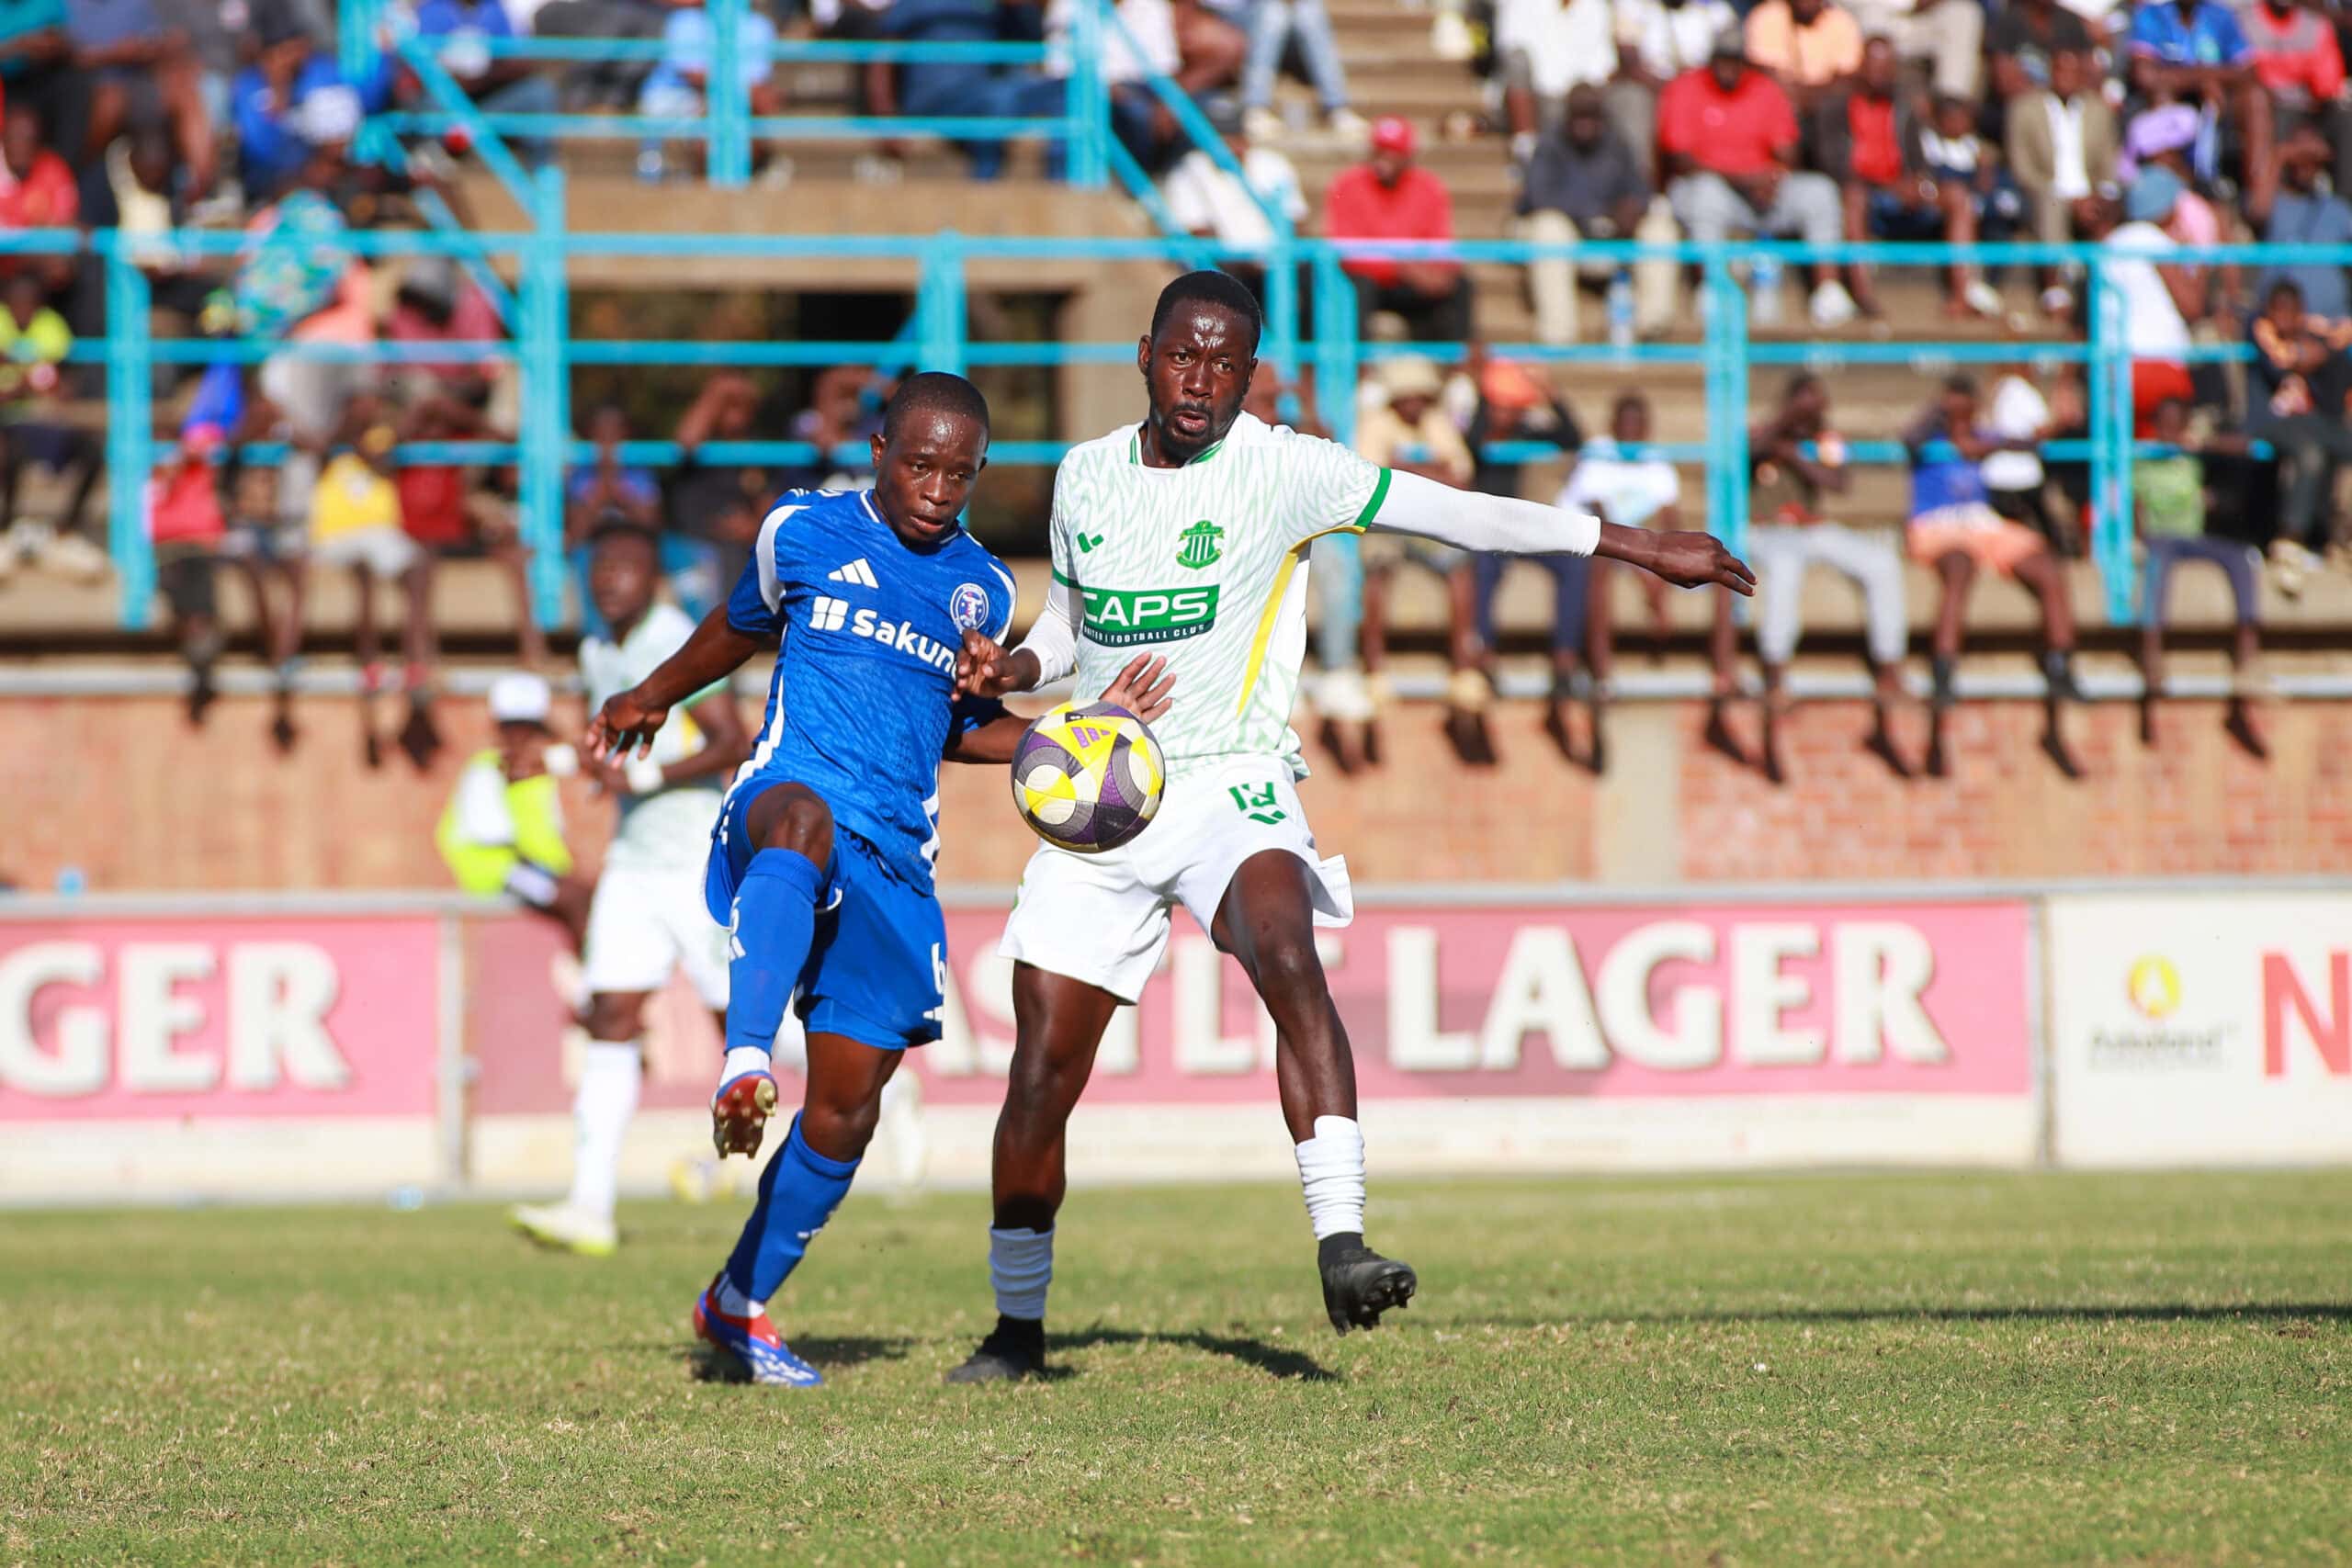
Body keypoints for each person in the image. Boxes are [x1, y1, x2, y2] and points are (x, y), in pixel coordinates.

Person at [944, 271, 1753, 1382]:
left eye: (1228, 364)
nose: (1204, 381)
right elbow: (1070, 631)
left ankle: (1341, 1243)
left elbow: (1458, 513)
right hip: (1108, 787)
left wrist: (1631, 545)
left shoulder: (1284, 467)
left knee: (1287, 951)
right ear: (1144, 353)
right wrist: (1017, 669)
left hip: (1233, 778)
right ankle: (1016, 1332)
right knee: (1041, 1072)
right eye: (1186, 356)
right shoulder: (1085, 475)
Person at [583, 373, 1176, 1387]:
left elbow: (959, 726)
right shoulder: (803, 531)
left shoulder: (982, 590)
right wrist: (647, 693)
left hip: (897, 859)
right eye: (919, 463)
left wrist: (1081, 734)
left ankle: (735, 1304)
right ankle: (742, 1059)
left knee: (846, 1112)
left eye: (960, 471)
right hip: (785, 796)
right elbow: (739, 624)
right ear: (877, 451)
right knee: (799, 821)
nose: (938, 487)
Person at [510, 523, 752, 1258]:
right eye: (600, 566)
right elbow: (619, 745)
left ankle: (878, 1093)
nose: (610, 579)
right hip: (634, 861)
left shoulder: (678, 636)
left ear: (652, 577)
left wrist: (642, 778)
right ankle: (591, 1205)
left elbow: (729, 740)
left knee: (740, 1018)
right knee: (610, 1011)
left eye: (626, 567)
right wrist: (552, 757)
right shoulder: (597, 648)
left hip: (693, 858)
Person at [1903, 376, 2082, 776]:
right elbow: (1907, 440)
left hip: (1982, 525)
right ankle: (1944, 671)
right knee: (1960, 569)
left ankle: (2062, 664)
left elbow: (2026, 444)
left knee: (2046, 564)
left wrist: (2001, 442)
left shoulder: (1984, 438)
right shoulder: (1926, 439)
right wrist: (1940, 415)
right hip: (1938, 526)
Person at [1738, 372, 1912, 784]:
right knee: (1783, 573)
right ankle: (1775, 675)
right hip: (1765, 531)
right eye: (1804, 406)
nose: (1810, 414)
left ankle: (1889, 670)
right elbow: (1749, 451)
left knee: (1881, 563)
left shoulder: (1823, 439)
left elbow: (1839, 482)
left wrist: (1797, 454)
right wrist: (1784, 424)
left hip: (1812, 528)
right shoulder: (1764, 429)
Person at [1489, 389, 1671, 768]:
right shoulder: (1599, 454)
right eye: (1625, 425)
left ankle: (1587, 676)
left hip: (1620, 546)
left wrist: (1664, 567)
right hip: (1577, 539)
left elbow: (1672, 521)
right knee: (1596, 566)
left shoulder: (1656, 462)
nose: (1631, 433)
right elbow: (1605, 524)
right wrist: (1645, 569)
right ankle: (1595, 672)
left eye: (1638, 427)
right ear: (1613, 427)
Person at [1659, 28, 1855, 330]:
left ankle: (1827, 289)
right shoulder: (1686, 88)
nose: (1729, 67)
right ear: (1711, 60)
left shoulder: (1765, 89)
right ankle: (1710, 286)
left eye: (1736, 60)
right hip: (1712, 191)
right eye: (1723, 59)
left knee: (1821, 191)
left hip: (1763, 192)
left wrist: (1772, 177)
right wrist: (1744, 180)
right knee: (1705, 194)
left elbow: (1787, 151)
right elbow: (1682, 159)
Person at [1351, 355, 1486, 762]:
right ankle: (1375, 668)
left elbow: (1461, 476)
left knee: (1462, 566)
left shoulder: (1435, 422)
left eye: (1420, 396)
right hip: (1385, 525)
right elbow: (1372, 482)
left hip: (1426, 526)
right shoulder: (1375, 423)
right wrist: (1431, 470)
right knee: (1378, 567)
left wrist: (1407, 468)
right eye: (1408, 396)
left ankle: (1464, 667)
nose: (1415, 404)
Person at [1823, 38, 2001, 320]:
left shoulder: (1905, 110)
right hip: (1869, 195)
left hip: (1904, 191)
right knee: (1854, 198)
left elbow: (1919, 161)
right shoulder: (1837, 109)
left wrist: (1917, 183)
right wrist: (1887, 186)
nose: (1879, 73)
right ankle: (1863, 295)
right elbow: (1835, 166)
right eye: (1874, 65)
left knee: (1956, 195)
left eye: (1886, 67)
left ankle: (1962, 292)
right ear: (1861, 66)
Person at [2132, 396, 2267, 756]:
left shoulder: (2193, 455)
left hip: (2194, 538)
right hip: (2161, 540)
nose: (2170, 431)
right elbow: (2135, 507)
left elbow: (2245, 448)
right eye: (2165, 424)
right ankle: (2152, 658)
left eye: (2177, 424)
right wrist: (2137, 539)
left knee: (2243, 560)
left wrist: (2199, 444)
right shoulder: (2143, 458)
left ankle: (2247, 659)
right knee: (2154, 571)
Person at [437, 671, 593, 952]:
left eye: (529, 727)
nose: (521, 736)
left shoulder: (541, 774)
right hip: (497, 870)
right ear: (499, 728)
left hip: (530, 869)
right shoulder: (486, 770)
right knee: (575, 899)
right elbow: (498, 841)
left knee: (593, 894)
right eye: (512, 727)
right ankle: (590, 980)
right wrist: (561, 880)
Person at [1516, 82, 1679, 344]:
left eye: (1591, 115)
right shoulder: (1549, 144)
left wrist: (1634, 207)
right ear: (1567, 115)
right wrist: (1597, 212)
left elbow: (1641, 189)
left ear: (1602, 117)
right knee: (1548, 228)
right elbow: (1539, 197)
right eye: (1578, 115)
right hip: (1570, 236)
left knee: (1660, 228)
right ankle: (1559, 334)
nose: (1585, 123)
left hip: (1612, 237)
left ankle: (1653, 323)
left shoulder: (1617, 142)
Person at [1323, 116, 1474, 344]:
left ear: (1408, 156)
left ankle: (1458, 369)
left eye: (1392, 151)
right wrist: (1402, 267)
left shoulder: (1428, 187)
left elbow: (1442, 241)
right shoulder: (1348, 184)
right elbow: (1347, 249)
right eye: (1379, 150)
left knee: (1459, 285)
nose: (1383, 158)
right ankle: (1362, 371)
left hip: (1412, 281)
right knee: (1357, 287)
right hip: (1371, 280)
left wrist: (1441, 271)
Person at [2244, 276, 2352, 591]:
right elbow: (2282, 358)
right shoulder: (2260, 334)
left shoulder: (2321, 345)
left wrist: (2323, 351)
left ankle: (2339, 541)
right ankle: (2290, 542)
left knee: (2331, 445)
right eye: (2278, 311)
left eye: (2292, 312)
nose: (2284, 319)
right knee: (2310, 452)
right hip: (2277, 425)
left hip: (2316, 427)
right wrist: (2312, 352)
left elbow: (2334, 389)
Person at [0, 272, 100, 580]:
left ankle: (66, 529)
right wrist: (22, 386)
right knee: (10, 455)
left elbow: (61, 381)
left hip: (40, 419)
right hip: (7, 420)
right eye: (17, 303)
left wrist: (46, 386)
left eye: (29, 303)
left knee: (91, 451)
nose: (23, 309)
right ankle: (5, 528)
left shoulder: (50, 325)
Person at [2006, 46, 2118, 315]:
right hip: (2045, 192)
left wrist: (2095, 194)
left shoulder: (2099, 110)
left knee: (2109, 206)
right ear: (2050, 72)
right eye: (2061, 70)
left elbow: (2108, 164)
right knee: (2052, 202)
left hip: (2088, 193)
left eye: (2073, 71)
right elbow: (2022, 167)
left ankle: (2106, 285)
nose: (2066, 77)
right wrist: (2065, 197)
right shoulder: (2025, 108)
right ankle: (2056, 288)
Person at [2080, 176, 2199, 427]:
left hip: (2111, 371)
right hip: (2158, 366)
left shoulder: (2108, 245)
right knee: (2171, 461)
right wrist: (2198, 258)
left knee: (2125, 460)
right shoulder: (2151, 238)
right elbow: (2192, 306)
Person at [2126, 0, 2270, 206]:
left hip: (2218, 102)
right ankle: (2171, 196)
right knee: (2163, 96)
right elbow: (2145, 76)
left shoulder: (2220, 16)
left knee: (2256, 98)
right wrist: (2201, 81)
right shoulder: (2152, 15)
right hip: (2172, 105)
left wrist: (2208, 80)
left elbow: (2249, 71)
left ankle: (2258, 202)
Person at [1609, 0, 1738, 182]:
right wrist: (1671, 89)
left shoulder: (1715, 9)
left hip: (1704, 88)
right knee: (1633, 100)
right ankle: (1641, 185)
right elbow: (1629, 61)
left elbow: (1731, 58)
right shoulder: (1635, 6)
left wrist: (1688, 89)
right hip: (1652, 86)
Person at [2250, 126, 2352, 327]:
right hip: (2281, 333)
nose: (2305, 163)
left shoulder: (2338, 209)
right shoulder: (2273, 204)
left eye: (2311, 159)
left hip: (2332, 331)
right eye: (2299, 156)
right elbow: (2257, 213)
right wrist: (2280, 155)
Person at [1239, 0, 1363, 144]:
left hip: (1290, 22)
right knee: (1273, 15)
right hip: (1245, 16)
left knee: (1310, 12)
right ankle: (1255, 108)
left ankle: (1337, 107)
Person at [1841, 0, 1981, 102]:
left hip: (1914, 19)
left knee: (1963, 13)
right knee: (1872, 14)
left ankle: (1950, 104)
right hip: (1868, 16)